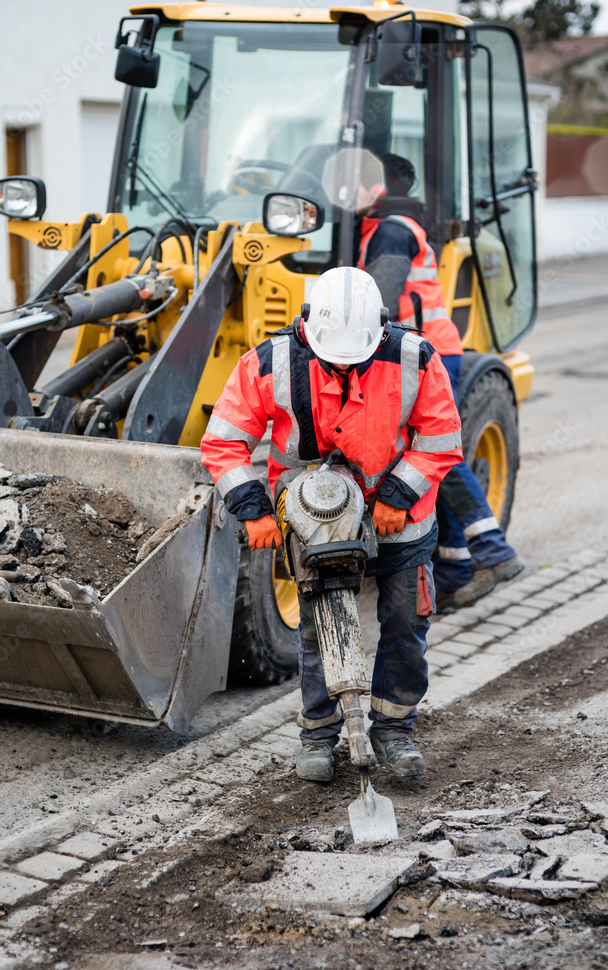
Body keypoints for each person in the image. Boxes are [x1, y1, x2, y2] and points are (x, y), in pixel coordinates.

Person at [201, 267, 462, 783]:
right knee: (320, 630)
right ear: (306, 328)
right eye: (331, 357)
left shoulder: (415, 358)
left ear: (381, 330)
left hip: (401, 522)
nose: (343, 365)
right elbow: (224, 442)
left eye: (355, 358)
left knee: (406, 626)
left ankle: (394, 729)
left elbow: (441, 437)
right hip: (314, 518)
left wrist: (398, 495)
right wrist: (253, 510)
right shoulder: (270, 362)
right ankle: (318, 734)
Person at [358, 153, 523, 611]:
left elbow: (377, 300)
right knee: (427, 460)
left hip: (424, 352)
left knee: (435, 456)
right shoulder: (387, 225)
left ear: (377, 189)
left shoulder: (390, 229)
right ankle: (455, 570)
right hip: (426, 348)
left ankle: (493, 550)